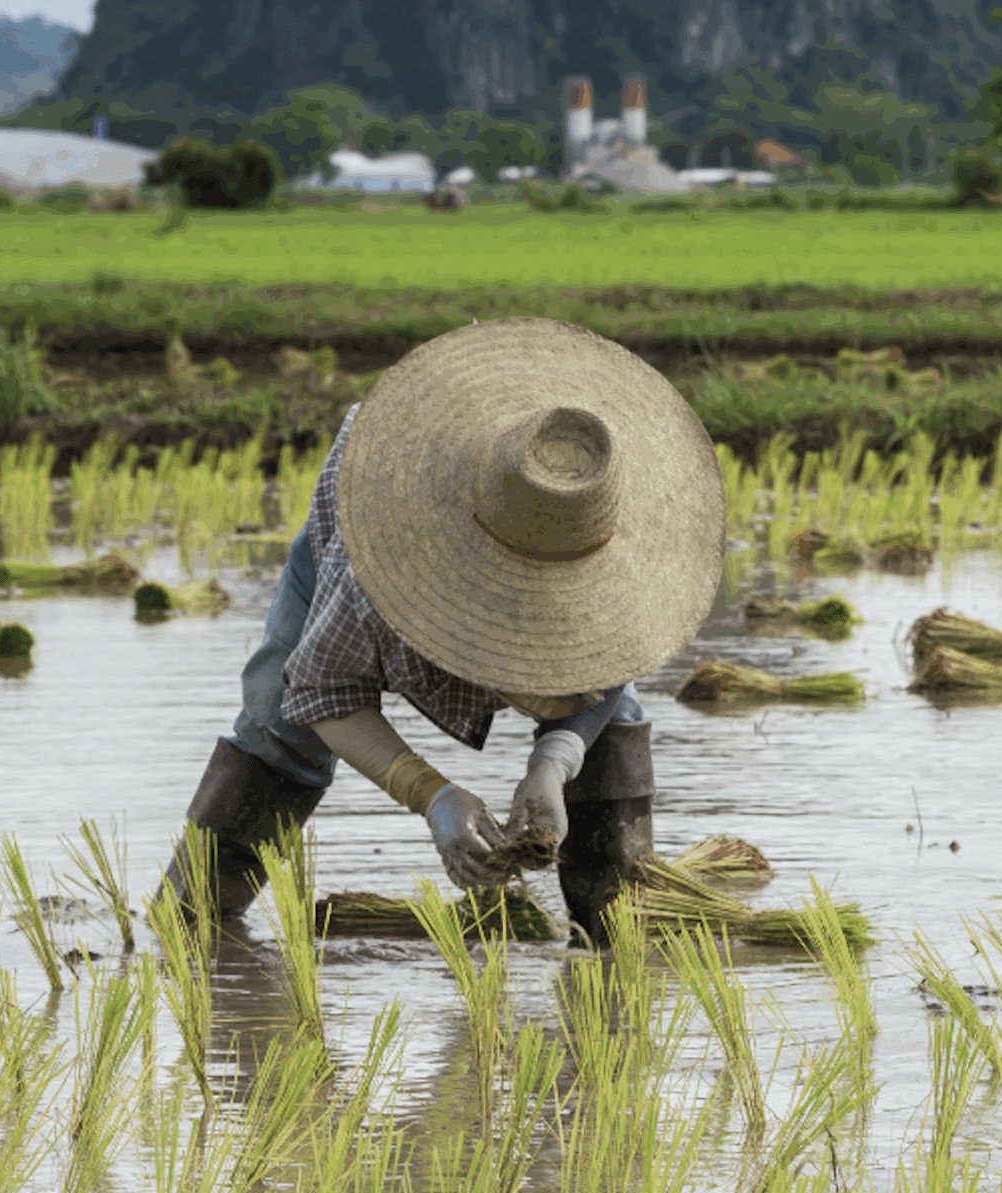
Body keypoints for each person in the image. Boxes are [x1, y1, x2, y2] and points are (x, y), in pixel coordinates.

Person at [161, 316, 726, 945]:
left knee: (609, 733)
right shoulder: (384, 557)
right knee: (276, 714)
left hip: (541, 515)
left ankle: (615, 928)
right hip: (382, 512)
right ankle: (190, 920)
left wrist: (553, 762)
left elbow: (608, 680)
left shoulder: (607, 545)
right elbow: (323, 691)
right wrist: (432, 796)